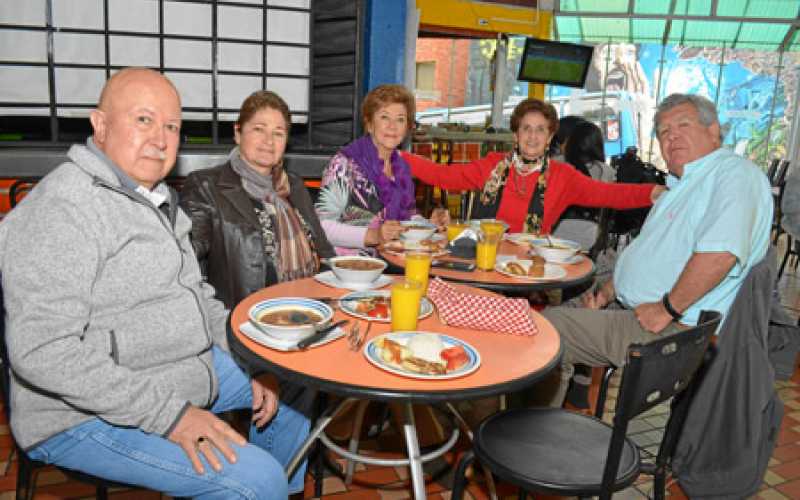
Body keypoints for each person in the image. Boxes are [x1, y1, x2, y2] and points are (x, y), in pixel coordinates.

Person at [0, 68, 306, 499]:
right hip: (79, 414)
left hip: (177, 370)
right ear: (100, 125)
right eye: (143, 120)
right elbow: (43, 352)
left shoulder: (155, 197)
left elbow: (199, 298)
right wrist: (172, 416)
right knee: (254, 481)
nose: (161, 139)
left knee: (293, 380)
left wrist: (253, 360)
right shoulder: (63, 209)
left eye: (172, 126)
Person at [540, 93, 773, 407]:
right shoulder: (682, 186)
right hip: (632, 307)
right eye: (664, 132)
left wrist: (668, 308)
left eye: (682, 125)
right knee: (531, 321)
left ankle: (526, 442)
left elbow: (721, 254)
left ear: (714, 131)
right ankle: (542, 421)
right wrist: (607, 291)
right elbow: (649, 252)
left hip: (670, 331)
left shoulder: (735, 175)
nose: (672, 136)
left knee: (545, 333)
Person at [400, 98, 663, 235]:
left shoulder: (563, 177)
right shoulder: (493, 165)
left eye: (540, 130)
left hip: (530, 273)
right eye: (526, 129)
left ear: (550, 138)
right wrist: (395, 156)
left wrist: (651, 192)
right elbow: (441, 175)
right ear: (515, 135)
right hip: (481, 263)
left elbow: (608, 194)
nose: (533, 136)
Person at [180, 90, 335, 309]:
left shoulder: (294, 186)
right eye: (258, 129)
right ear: (238, 132)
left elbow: (324, 250)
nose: (268, 141)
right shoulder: (206, 186)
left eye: (278, 133)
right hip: (246, 317)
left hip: (309, 308)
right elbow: (183, 260)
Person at [315, 84, 448, 255]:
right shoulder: (344, 165)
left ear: (407, 127)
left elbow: (404, 219)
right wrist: (373, 235)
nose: (393, 126)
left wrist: (428, 225)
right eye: (385, 117)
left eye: (400, 119)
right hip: (348, 267)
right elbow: (322, 226)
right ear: (369, 124)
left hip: (390, 262)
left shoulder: (401, 168)